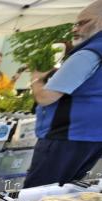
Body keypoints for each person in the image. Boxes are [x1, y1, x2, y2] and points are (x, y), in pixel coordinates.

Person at [24, 0, 102, 188]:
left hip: (66, 135)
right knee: (65, 191)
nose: (76, 29)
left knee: (36, 195)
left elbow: (45, 97)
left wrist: (36, 79)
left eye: (83, 22)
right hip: (93, 137)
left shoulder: (88, 53)